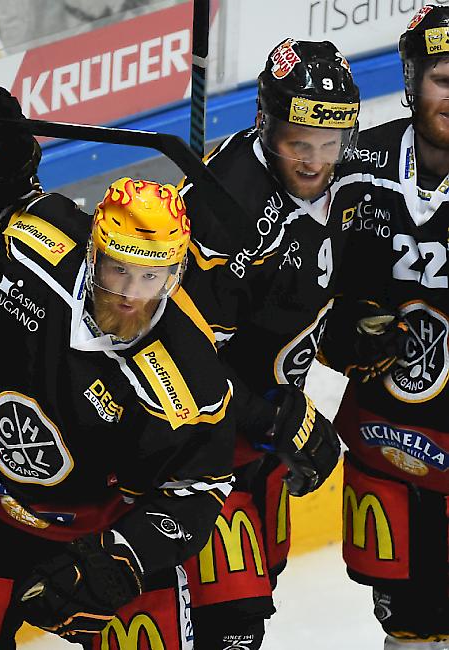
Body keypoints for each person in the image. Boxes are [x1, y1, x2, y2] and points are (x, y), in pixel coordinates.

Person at [0, 84, 237, 649]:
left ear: (175, 276)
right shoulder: (43, 245)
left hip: (99, 530)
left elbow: (199, 485)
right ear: (93, 252)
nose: (131, 294)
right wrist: (2, 151)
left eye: (151, 277)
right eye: (117, 271)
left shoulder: (189, 373)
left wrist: (125, 559)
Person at [159, 39, 362, 649]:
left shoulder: (348, 181)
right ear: (265, 125)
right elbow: (177, 354)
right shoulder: (229, 210)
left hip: (261, 446)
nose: (315, 160)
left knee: (256, 592)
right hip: (196, 448)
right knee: (232, 625)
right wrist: (271, 414)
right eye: (299, 141)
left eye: (330, 143)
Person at [321, 6, 449, 649]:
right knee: (407, 627)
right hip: (387, 440)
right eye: (444, 77)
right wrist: (339, 335)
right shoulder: (359, 162)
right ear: (410, 78)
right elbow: (303, 292)